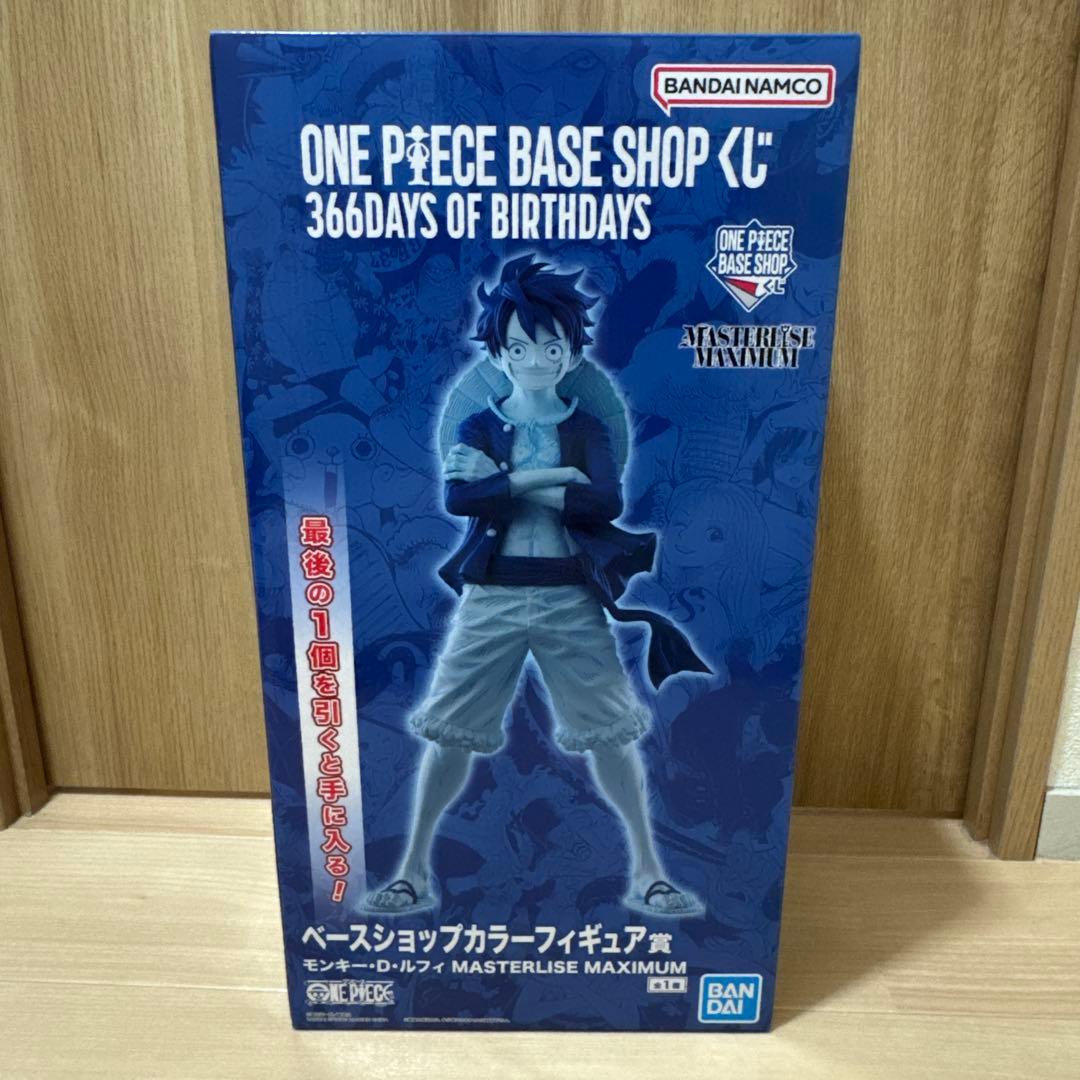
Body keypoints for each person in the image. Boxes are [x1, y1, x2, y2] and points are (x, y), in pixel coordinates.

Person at [362, 256, 708, 917]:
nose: (536, 359)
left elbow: (603, 501)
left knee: (610, 734)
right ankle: (412, 871)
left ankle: (646, 870)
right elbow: (462, 499)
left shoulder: (586, 425)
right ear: (498, 352)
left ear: (571, 350)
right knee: (449, 734)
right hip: (490, 597)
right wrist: (549, 479)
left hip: (571, 597)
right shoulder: (479, 423)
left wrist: (510, 484)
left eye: (551, 346)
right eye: (519, 347)